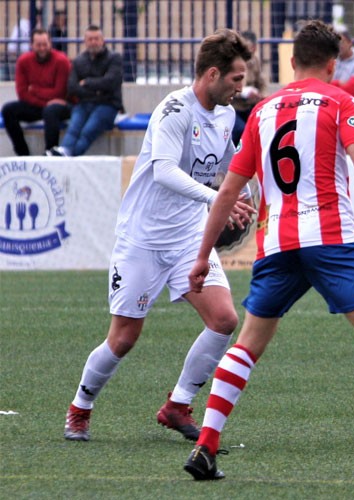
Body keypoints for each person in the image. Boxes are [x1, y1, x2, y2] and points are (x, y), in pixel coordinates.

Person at [181, 19, 354, 482]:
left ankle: (206, 447)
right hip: (330, 238)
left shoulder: (263, 110)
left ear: (292, 62)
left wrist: (202, 255)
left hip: (276, 243)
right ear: (333, 64)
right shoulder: (340, 100)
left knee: (247, 345)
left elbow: (229, 190)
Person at [63, 29, 256, 443]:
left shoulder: (224, 115)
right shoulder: (174, 110)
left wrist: (248, 190)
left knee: (224, 320)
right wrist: (217, 198)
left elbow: (231, 162)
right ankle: (80, 407)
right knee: (124, 338)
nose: (241, 87)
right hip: (143, 240)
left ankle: (178, 405)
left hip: (188, 237)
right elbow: (163, 171)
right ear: (212, 74)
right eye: (236, 79)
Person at [47, 25, 124, 157]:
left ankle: (68, 156)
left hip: (108, 105)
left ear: (102, 40)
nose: (93, 42)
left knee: (88, 131)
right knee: (73, 129)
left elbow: (111, 83)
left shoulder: (114, 58)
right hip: (84, 104)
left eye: (96, 39)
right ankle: (64, 152)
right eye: (90, 39)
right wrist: (97, 91)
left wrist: (87, 83)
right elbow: (72, 87)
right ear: (85, 41)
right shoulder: (79, 61)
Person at [1, 29, 71, 156]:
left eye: (45, 44)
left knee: (51, 111)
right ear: (31, 45)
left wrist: (35, 90)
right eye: (38, 45)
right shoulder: (23, 61)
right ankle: (22, 154)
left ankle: (50, 152)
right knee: (8, 110)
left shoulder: (62, 61)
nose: (42, 48)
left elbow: (60, 92)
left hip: (58, 106)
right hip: (39, 104)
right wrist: (44, 99)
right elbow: (22, 93)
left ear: (50, 43)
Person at [231, 30, 266, 146]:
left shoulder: (255, 61)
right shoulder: (233, 62)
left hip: (250, 107)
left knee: (261, 127)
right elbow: (228, 86)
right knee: (240, 130)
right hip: (234, 107)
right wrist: (244, 93)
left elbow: (262, 83)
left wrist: (260, 95)